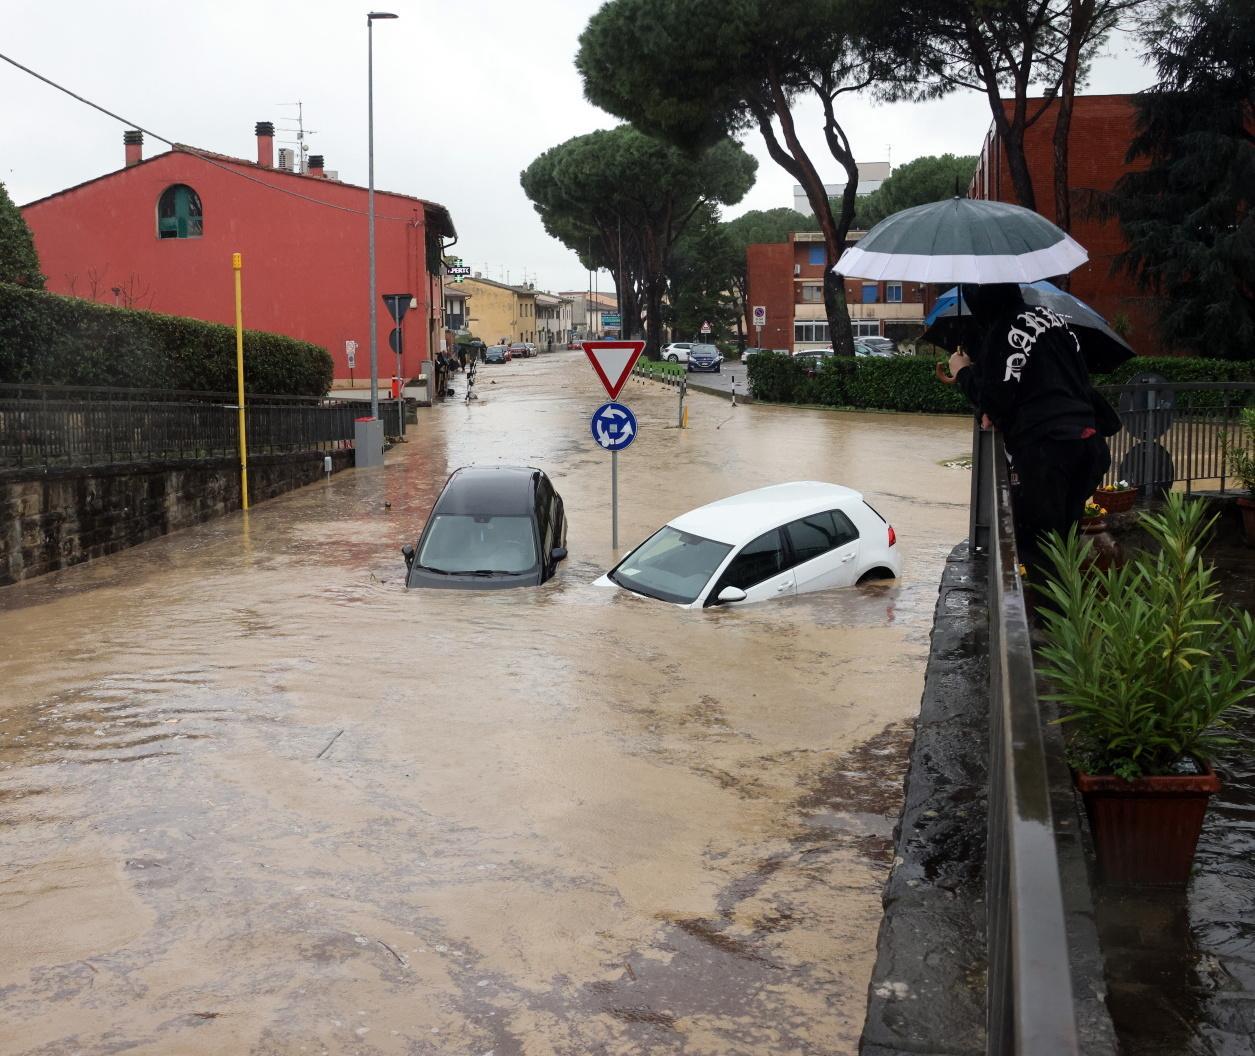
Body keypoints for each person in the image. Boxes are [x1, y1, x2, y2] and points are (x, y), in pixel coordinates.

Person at [948, 283, 1111, 571]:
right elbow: (1051, 381)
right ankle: (1067, 611)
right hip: (1088, 444)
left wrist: (962, 372)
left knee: (1039, 551)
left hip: (1048, 452)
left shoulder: (1003, 329)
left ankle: (1039, 614)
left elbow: (995, 399)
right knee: (1064, 542)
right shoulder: (1053, 319)